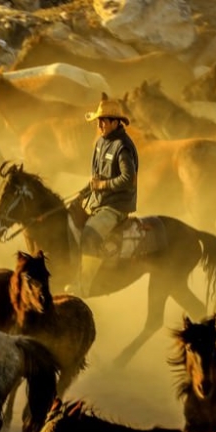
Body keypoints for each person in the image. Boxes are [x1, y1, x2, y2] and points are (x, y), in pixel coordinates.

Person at [69, 93, 138, 298]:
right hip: (99, 202)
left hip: (116, 206)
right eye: (98, 121)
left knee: (90, 233)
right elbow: (97, 178)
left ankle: (84, 286)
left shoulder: (123, 146)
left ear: (116, 122)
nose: (99, 125)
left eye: (103, 121)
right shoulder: (100, 143)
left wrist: (103, 185)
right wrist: (83, 193)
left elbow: (128, 179)